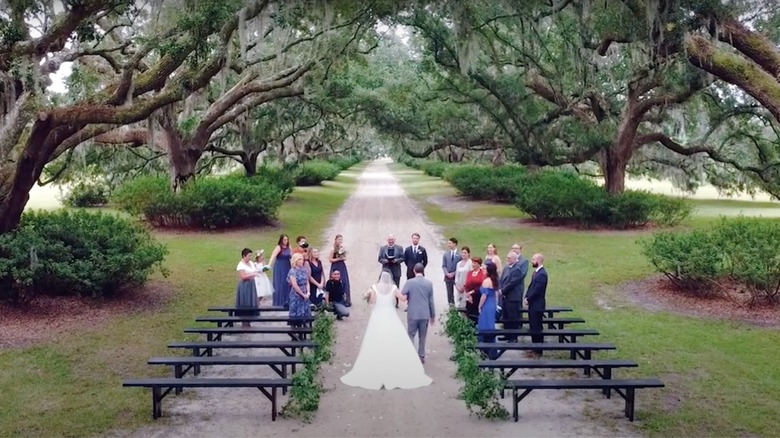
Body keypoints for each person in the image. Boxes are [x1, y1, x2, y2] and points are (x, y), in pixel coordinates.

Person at [341, 271, 432, 390]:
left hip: (378, 315)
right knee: (393, 340)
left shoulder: (374, 288)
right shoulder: (394, 288)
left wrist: (368, 297)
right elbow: (403, 299)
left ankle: (375, 367)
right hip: (390, 315)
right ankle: (394, 367)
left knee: (375, 341)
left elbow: (372, 301)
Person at [402, 263, 436, 364]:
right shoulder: (429, 283)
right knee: (422, 335)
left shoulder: (409, 282)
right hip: (424, 313)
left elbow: (403, 294)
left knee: (411, 334)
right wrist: (432, 315)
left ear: (414, 271)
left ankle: (411, 354)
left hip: (413, 312)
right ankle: (421, 355)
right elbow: (431, 301)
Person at [498, 251, 528, 342]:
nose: (507, 259)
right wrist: (500, 289)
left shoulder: (517, 270)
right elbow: (502, 280)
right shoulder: (506, 268)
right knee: (506, 317)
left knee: (513, 318)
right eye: (507, 258)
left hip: (513, 298)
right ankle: (507, 334)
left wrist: (502, 291)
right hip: (506, 297)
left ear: (515, 259)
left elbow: (512, 283)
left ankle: (513, 337)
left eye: (509, 258)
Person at [524, 253, 548, 357]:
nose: (532, 261)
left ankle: (538, 349)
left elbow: (537, 290)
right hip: (532, 304)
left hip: (537, 305)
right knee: (533, 326)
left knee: (537, 327)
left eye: (533, 259)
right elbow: (531, 287)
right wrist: (526, 296)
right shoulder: (536, 273)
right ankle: (534, 346)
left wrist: (529, 299)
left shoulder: (542, 274)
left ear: (539, 260)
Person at [478, 262, 500, 360]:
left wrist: (479, 306)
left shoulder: (486, 281)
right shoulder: (494, 280)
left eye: (484, 269)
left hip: (486, 304)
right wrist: (496, 305)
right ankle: (492, 350)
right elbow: (496, 294)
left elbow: (484, 296)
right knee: (490, 324)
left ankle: (485, 349)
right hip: (492, 304)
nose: (483, 270)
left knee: (484, 325)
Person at [235, 248, 259, 328]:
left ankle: (249, 319)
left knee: (251, 301)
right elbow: (243, 276)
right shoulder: (241, 265)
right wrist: (253, 274)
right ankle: (244, 321)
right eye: (249, 256)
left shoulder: (251, 263)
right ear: (244, 256)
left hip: (251, 284)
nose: (250, 257)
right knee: (245, 302)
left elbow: (255, 270)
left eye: (251, 256)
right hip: (245, 285)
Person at [378, 234, 404, 307]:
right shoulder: (383, 248)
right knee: (385, 287)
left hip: (396, 269)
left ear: (394, 240)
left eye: (392, 240)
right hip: (386, 269)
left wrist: (396, 260)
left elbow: (402, 258)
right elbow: (379, 258)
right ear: (387, 240)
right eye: (389, 240)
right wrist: (385, 260)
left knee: (396, 286)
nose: (391, 241)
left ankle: (396, 302)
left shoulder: (399, 248)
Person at [287, 253, 311, 327]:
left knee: (305, 312)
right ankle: (294, 330)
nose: (302, 261)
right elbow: (295, 285)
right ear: (296, 261)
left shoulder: (304, 270)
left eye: (302, 259)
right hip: (296, 294)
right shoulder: (292, 271)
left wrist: (308, 292)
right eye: (300, 259)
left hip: (305, 291)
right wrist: (302, 294)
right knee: (296, 314)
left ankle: (305, 329)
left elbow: (307, 282)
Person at [269, 234, 292, 307]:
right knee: (279, 283)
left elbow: (292, 255)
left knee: (287, 283)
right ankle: (279, 301)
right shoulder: (278, 247)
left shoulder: (289, 247)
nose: (286, 241)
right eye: (284, 240)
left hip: (287, 265)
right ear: (281, 240)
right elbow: (273, 256)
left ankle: (287, 300)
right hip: (279, 266)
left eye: (287, 240)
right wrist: (269, 265)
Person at [329, 234, 352, 306]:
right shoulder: (333, 249)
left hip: (342, 266)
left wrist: (343, 257)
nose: (340, 241)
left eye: (341, 240)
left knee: (344, 281)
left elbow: (345, 257)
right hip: (335, 266)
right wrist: (338, 258)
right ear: (335, 240)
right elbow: (330, 259)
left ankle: (345, 299)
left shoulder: (342, 248)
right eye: (339, 239)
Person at [463, 256, 485, 325]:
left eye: (475, 263)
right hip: (469, 298)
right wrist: (468, 294)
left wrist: (472, 292)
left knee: (476, 316)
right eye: (472, 263)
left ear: (479, 264)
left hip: (477, 297)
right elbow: (466, 284)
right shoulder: (470, 273)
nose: (473, 264)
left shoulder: (482, 273)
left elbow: (481, 285)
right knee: (469, 316)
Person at [441, 237, 459, 307]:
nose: (448, 245)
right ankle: (451, 307)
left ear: (454, 244)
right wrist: (447, 273)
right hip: (448, 277)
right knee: (449, 293)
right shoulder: (446, 254)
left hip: (456, 276)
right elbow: (443, 265)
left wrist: (454, 273)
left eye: (450, 243)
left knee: (459, 292)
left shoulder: (459, 254)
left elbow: (460, 266)